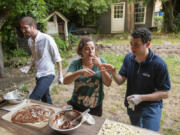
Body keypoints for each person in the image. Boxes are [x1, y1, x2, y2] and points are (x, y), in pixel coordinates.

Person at [102, 28, 170, 131]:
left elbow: (165, 93)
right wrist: (114, 72)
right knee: (136, 131)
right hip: (132, 105)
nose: (132, 48)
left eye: (136, 45)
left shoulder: (159, 64)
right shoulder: (128, 58)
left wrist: (142, 97)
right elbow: (120, 81)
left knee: (149, 133)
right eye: (131, 44)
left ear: (147, 44)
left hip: (151, 107)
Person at [63, 36, 112, 116]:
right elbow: (65, 81)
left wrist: (100, 65)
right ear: (81, 51)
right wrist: (79, 72)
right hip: (77, 104)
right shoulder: (76, 64)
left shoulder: (101, 61)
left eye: (92, 48)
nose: (91, 52)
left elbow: (108, 83)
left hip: (95, 106)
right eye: (87, 49)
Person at [20, 16, 63, 104]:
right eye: (22, 28)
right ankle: (51, 115)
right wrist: (29, 66)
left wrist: (60, 75)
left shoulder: (47, 39)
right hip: (38, 74)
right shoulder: (30, 41)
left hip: (48, 74)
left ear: (33, 27)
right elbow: (35, 57)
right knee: (46, 99)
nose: (23, 31)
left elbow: (57, 58)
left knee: (33, 99)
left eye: (25, 28)